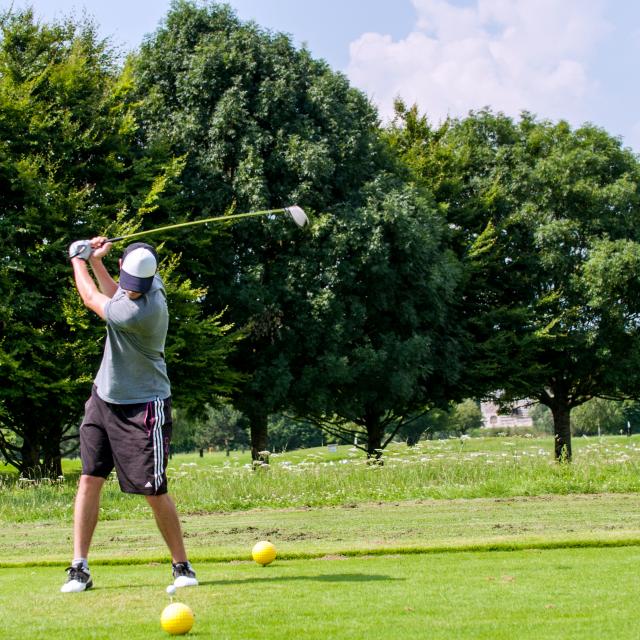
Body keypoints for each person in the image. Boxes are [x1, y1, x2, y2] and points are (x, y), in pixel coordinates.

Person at [62, 236, 198, 593]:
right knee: (89, 478)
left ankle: (182, 566)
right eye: (130, 283)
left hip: (143, 405)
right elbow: (117, 290)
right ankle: (79, 567)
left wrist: (79, 257)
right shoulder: (145, 281)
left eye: (138, 286)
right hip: (104, 397)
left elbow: (94, 298)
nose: (132, 291)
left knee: (153, 489)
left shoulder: (141, 312)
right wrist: (99, 260)